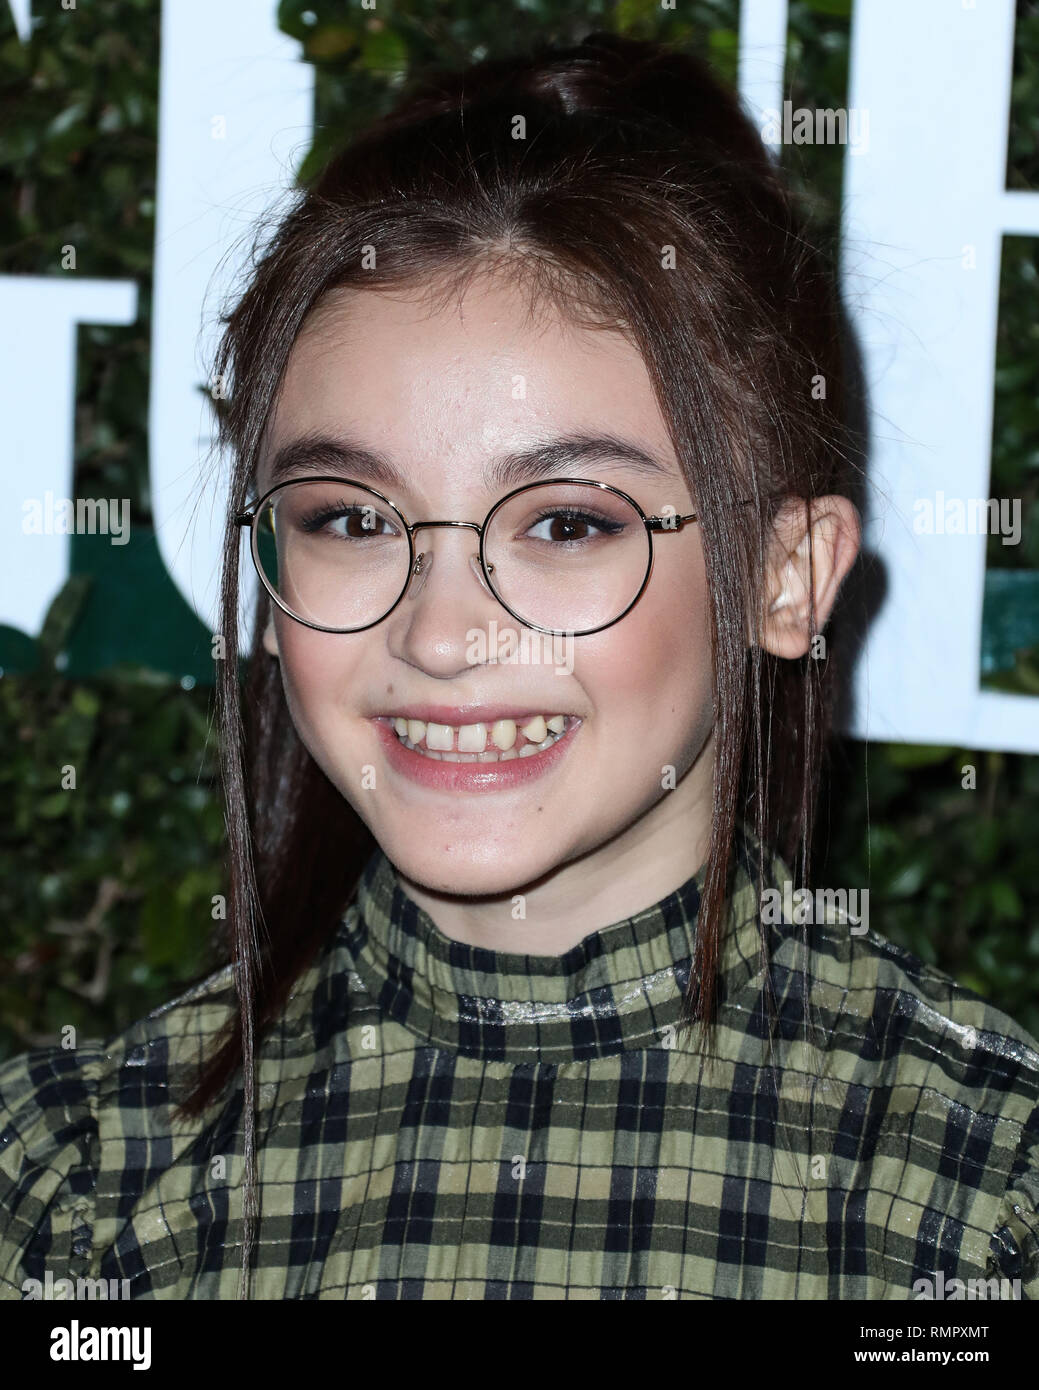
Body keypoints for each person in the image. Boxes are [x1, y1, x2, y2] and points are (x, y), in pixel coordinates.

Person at [1, 31, 1036, 1302]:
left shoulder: (982, 1198)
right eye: (350, 518)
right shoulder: (68, 1190)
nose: (440, 638)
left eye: (565, 524)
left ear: (788, 575)